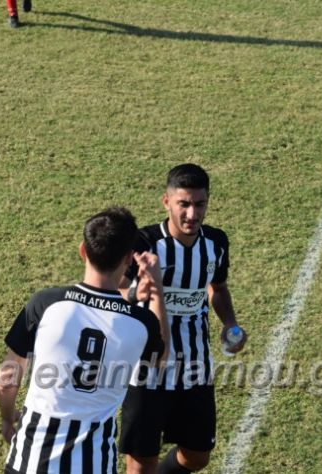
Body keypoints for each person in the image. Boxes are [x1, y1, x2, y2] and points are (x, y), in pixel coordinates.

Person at [0, 206, 168, 473]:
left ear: (83, 251)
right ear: (128, 259)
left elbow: (7, 379)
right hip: (94, 464)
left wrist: (7, 418)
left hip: (31, 461)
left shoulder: (46, 303)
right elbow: (161, 359)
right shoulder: (140, 323)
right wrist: (156, 290)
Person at [118, 163, 247, 473]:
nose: (192, 213)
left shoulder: (216, 243)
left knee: (197, 455)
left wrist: (230, 323)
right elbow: (115, 289)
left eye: (199, 204)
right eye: (183, 204)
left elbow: (218, 288)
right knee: (140, 465)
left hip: (195, 366)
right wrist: (136, 293)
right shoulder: (144, 243)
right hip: (146, 369)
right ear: (167, 202)